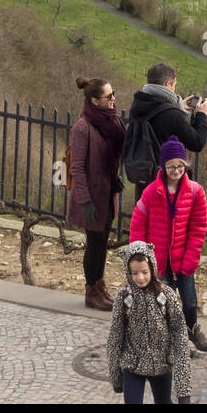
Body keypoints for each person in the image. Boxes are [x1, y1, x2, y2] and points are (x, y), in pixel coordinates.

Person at [130, 138, 207, 353]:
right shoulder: (151, 192)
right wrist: (139, 252)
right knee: (161, 303)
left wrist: (191, 257)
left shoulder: (195, 192)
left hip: (183, 259)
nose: (176, 170)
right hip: (157, 261)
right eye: (171, 166)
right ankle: (163, 339)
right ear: (163, 167)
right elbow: (138, 221)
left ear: (186, 165)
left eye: (180, 166)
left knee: (190, 301)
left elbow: (198, 228)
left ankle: (192, 328)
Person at [105, 241, 193, 404]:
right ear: (128, 272)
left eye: (145, 272)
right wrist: (116, 377)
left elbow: (180, 337)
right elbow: (115, 337)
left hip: (162, 366)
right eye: (135, 273)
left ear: (152, 268)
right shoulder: (124, 298)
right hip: (133, 366)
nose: (140, 278)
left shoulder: (166, 295)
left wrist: (183, 392)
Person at [66, 77, 126, 311]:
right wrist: (85, 202)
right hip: (91, 197)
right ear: (94, 100)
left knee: (103, 243)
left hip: (108, 193)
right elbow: (77, 168)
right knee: (94, 244)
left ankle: (99, 287)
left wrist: (115, 176)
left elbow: (112, 156)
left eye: (113, 94)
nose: (113, 100)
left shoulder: (111, 121)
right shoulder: (82, 128)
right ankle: (91, 291)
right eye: (108, 97)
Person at [126, 62, 207, 198]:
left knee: (144, 215)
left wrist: (179, 105)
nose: (175, 88)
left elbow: (157, 114)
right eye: (174, 84)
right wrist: (201, 115)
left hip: (144, 176)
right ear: (167, 85)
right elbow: (197, 143)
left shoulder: (139, 105)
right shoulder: (172, 115)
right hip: (165, 183)